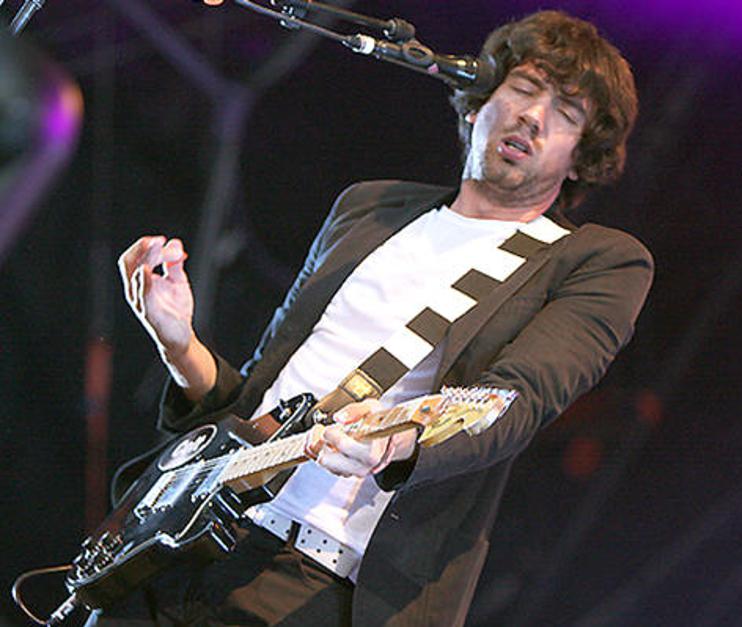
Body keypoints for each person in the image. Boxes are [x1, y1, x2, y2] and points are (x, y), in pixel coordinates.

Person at [91, 9, 653, 626]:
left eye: (566, 113)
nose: (533, 117)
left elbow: (517, 400)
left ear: (581, 159)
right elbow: (251, 402)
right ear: (478, 103)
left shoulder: (595, 262)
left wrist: (399, 441)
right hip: (188, 535)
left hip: (315, 579)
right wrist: (178, 341)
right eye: (523, 88)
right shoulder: (367, 208)